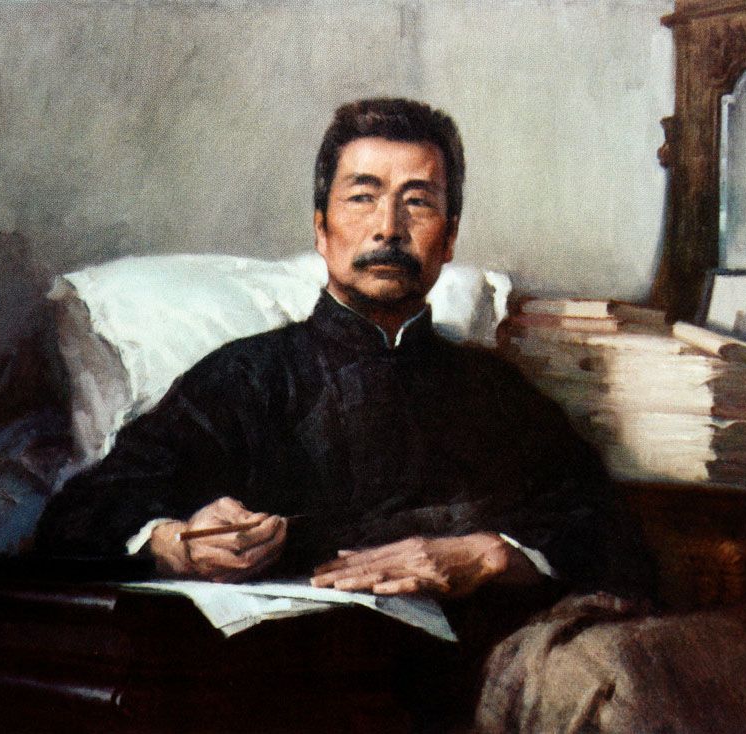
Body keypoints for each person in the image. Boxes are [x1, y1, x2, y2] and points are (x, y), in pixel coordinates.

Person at [34, 97, 650, 723]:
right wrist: (175, 543)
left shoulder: (498, 393)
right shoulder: (245, 378)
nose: (389, 228)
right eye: (362, 196)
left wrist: (493, 554)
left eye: (417, 202)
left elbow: (615, 541)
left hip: (477, 691)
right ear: (321, 230)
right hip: (291, 694)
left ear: (449, 238)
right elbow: (74, 517)